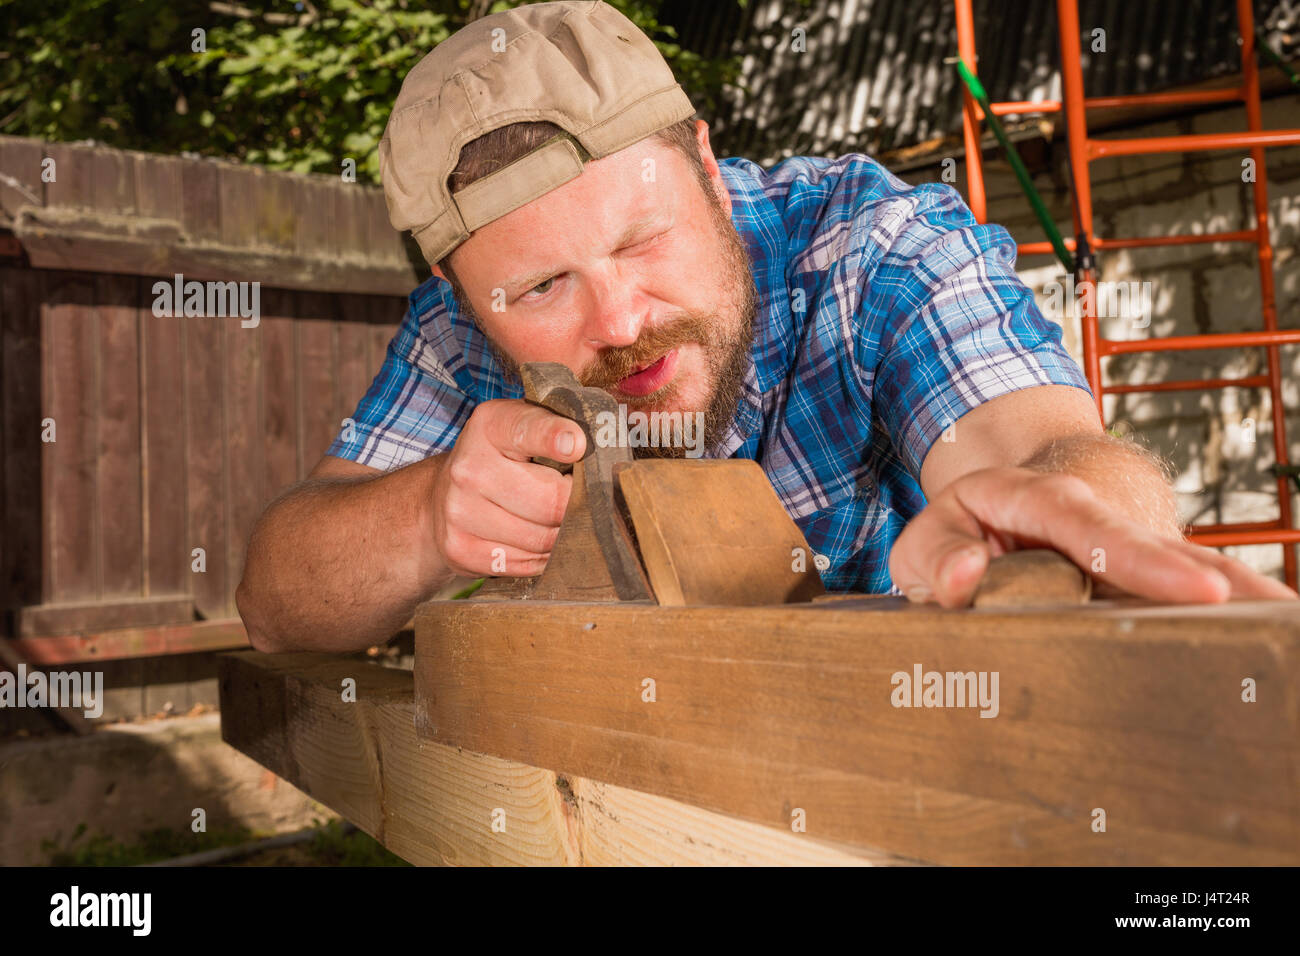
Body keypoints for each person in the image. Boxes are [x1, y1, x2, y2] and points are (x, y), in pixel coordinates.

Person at [236, 1, 1296, 653]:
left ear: (705, 161)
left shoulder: (872, 245)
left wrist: (1052, 518)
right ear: (463, 291)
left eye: (641, 239)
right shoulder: (458, 331)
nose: (618, 323)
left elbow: (1043, 445)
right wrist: (425, 516)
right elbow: (278, 603)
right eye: (539, 289)